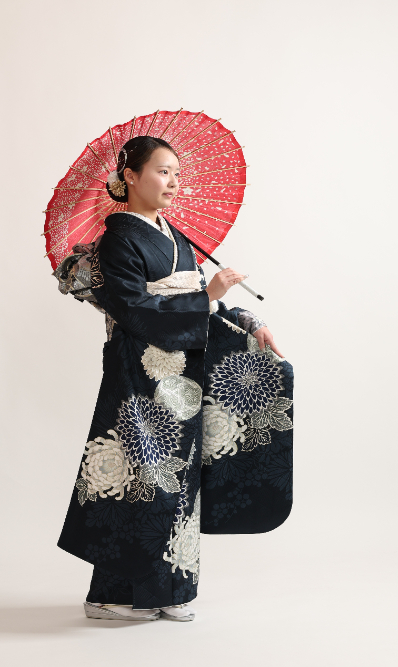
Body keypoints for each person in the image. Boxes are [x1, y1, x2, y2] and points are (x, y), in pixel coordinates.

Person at [54, 135, 294, 622]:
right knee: (140, 478)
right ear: (130, 177)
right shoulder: (118, 239)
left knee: (178, 478)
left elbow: (207, 303)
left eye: (177, 174)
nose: (173, 182)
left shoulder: (178, 237)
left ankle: (168, 590)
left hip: (182, 376)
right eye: (163, 172)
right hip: (138, 372)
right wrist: (205, 296)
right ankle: (110, 596)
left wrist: (249, 321)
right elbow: (134, 309)